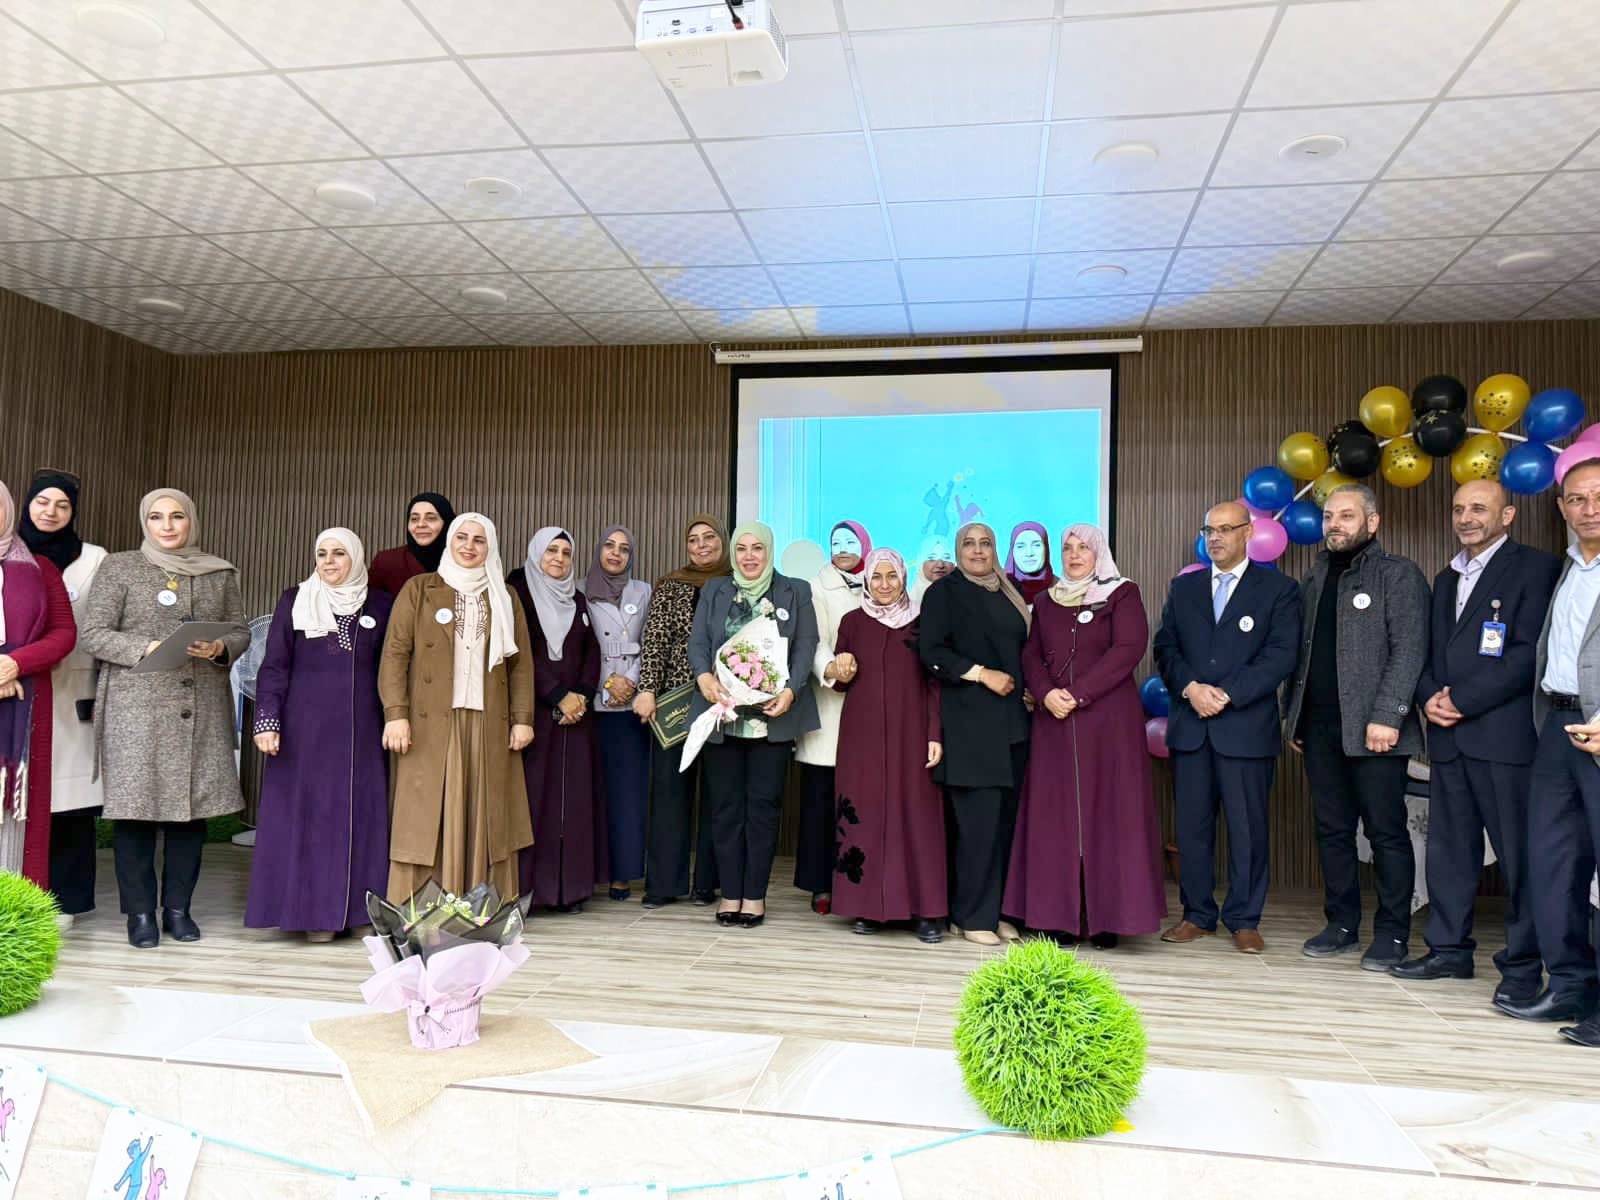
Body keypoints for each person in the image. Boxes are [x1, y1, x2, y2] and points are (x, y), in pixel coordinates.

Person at [1394, 481, 1558, 996]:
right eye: (1459, 509)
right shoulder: (1446, 578)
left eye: (1479, 508)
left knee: (1520, 858)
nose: (1466, 518)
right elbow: (1427, 651)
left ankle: (1523, 967)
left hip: (1504, 739)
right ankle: (1448, 951)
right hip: (1448, 738)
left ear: (1507, 515)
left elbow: (1531, 652)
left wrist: (1463, 701)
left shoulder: (1536, 568)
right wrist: (1427, 698)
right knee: (1449, 852)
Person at [79, 488, 249, 949]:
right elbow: (93, 634)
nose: (168, 525)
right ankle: (139, 915)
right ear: (145, 522)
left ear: (191, 520)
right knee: (134, 816)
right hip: (137, 713)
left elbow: (240, 630)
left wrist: (220, 647)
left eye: (177, 516)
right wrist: (145, 647)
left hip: (200, 709)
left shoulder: (218, 572)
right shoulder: (120, 567)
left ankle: (178, 910)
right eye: (157, 517)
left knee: (190, 816)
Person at [1283, 484, 1429, 971]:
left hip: (1377, 731)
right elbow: (1302, 655)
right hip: (1319, 728)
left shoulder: (1397, 574)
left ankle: (1392, 933)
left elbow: (1409, 650)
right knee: (1332, 831)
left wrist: (1388, 715)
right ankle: (1341, 924)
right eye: (1329, 517)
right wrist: (1295, 716)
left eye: (1346, 516)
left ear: (1372, 523)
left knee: (1386, 833)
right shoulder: (1314, 576)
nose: (1334, 525)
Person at [1005, 525, 1165, 947]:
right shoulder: (1046, 601)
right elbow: (1031, 655)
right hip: (1054, 721)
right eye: (1068, 548)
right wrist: (1045, 693)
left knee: (1110, 814)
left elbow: (1128, 649)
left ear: (1099, 553)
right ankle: (1058, 917)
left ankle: (1107, 920)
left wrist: (1076, 695)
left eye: (1084, 548)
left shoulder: (1121, 594)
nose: (1074, 555)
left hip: (1108, 723)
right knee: (1055, 818)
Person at [1153, 500, 1300, 953]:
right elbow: (1165, 648)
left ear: (1248, 533)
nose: (1215, 538)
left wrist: (1227, 694)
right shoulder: (1185, 588)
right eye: (1209, 530)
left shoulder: (1279, 590)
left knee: (1247, 829)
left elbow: (1281, 655)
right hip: (1192, 727)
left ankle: (1244, 919)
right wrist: (1190, 689)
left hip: (1245, 729)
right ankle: (1197, 915)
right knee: (1192, 828)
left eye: (1225, 529)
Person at [244, 529, 393, 942]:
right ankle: (314, 915)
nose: (328, 561)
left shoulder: (380, 603)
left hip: (364, 731)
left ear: (356, 558)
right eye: (322, 553)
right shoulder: (295, 599)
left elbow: (394, 666)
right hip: (303, 733)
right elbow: (274, 665)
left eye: (339, 553)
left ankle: (362, 911)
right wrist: (267, 720)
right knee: (310, 818)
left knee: (363, 816)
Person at [380, 513, 534, 903]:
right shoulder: (420, 589)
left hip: (487, 722)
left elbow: (520, 665)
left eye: (479, 540)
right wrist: (396, 713)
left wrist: (522, 719)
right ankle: (420, 905)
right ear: (449, 541)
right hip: (430, 722)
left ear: (490, 547)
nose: (469, 546)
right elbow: (395, 655)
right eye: (462, 537)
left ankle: (483, 904)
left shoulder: (504, 595)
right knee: (426, 811)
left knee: (489, 814)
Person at [688, 521, 819, 928]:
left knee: (762, 810)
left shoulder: (794, 590)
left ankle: (755, 895)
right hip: (723, 717)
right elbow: (698, 642)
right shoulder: (715, 590)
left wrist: (791, 691)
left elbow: (805, 646)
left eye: (757, 548)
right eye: (741, 548)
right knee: (725, 809)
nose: (749, 556)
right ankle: (730, 893)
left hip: (770, 720)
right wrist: (704, 678)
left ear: (769, 551)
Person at [1514, 457, 1600, 1040]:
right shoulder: (1570, 566)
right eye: (1576, 499)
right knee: (1554, 864)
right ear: (1561, 507)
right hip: (1558, 726)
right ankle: (1569, 987)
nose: (1588, 509)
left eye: (1598, 496)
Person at [919, 522, 1031, 946]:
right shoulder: (944, 592)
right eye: (969, 543)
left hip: (1012, 725)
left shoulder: (1006, 590)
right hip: (969, 725)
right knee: (976, 827)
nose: (978, 551)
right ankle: (971, 916)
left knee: (1004, 825)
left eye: (986, 543)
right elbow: (931, 652)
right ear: (958, 550)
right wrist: (981, 674)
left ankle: (995, 911)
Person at [830, 549, 945, 943]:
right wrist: (840, 669)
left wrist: (934, 733)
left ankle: (926, 912)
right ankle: (868, 907)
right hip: (861, 737)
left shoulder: (922, 622)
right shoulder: (852, 622)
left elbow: (935, 683)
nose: (883, 585)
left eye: (891, 577)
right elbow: (841, 680)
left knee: (917, 816)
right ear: (867, 581)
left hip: (912, 734)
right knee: (866, 813)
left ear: (902, 579)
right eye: (876, 577)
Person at [19, 470, 107, 924]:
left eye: (62, 505)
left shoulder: (95, 558)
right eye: (42, 502)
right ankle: (20, 893)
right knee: (21, 794)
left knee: (70, 801)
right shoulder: (11, 553)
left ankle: (67, 899)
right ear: (27, 504)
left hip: (74, 686)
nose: (50, 512)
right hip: (18, 686)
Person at [635, 514, 729, 909]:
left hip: (723, 703)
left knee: (717, 794)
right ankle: (663, 884)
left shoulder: (736, 583)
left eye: (709, 537)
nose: (701, 545)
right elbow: (655, 640)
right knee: (669, 792)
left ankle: (707, 883)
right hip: (674, 701)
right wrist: (647, 689)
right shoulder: (671, 585)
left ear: (723, 541)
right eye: (694, 539)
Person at [511, 527, 603, 912]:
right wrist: (557, 695)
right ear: (536, 554)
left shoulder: (577, 599)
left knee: (573, 804)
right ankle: (533, 891)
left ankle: (570, 890)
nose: (559, 559)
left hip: (575, 719)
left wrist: (581, 694)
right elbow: (520, 653)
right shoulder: (518, 595)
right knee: (536, 803)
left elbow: (592, 652)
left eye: (566, 553)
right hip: (535, 715)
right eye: (551, 551)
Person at [0, 481, 76, 888]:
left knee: (19, 807)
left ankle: (15, 907)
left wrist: (15, 663)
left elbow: (64, 632)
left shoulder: (40, 567)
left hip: (26, 702)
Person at [794, 519, 872, 915]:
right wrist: (831, 669)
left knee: (862, 800)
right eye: (836, 542)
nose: (843, 548)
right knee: (821, 798)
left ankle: (858, 881)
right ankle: (820, 884)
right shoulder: (816, 585)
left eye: (851, 542)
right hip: (830, 706)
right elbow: (814, 640)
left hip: (871, 707)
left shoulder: (880, 580)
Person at [584, 525, 651, 902]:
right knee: (595, 791)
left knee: (628, 793)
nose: (615, 553)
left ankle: (622, 873)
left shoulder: (643, 591)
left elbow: (651, 642)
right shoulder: (579, 590)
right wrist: (607, 683)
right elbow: (579, 647)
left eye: (624, 549)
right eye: (609, 546)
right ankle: (593, 869)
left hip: (632, 704)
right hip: (593, 705)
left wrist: (630, 681)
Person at [369, 492, 456, 598]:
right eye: (414, 519)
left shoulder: (462, 559)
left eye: (431, 518)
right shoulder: (387, 562)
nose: (421, 524)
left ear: (447, 523)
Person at [1004, 521, 1056, 608]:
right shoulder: (997, 588)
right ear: (1012, 551)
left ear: (1046, 549)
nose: (1029, 553)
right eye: (1020, 546)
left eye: (1036, 545)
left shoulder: (1062, 589)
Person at [909, 534, 954, 606]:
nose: (940, 565)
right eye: (932, 558)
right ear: (920, 563)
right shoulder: (907, 607)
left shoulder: (966, 599)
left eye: (946, 558)